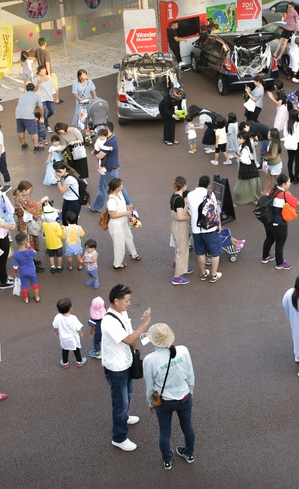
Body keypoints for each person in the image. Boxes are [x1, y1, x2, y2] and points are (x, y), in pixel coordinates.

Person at [102, 283, 151, 451]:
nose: (129, 303)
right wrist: (144, 324)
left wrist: (141, 336)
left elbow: (130, 334)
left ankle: (124, 417)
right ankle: (119, 437)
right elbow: (128, 339)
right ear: (116, 301)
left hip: (126, 361)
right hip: (116, 368)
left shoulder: (122, 313)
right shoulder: (108, 321)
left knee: (128, 392)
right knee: (120, 402)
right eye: (127, 300)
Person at [142, 323, 196, 470]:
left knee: (164, 432)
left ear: (153, 340)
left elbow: (150, 386)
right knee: (187, 427)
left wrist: (151, 403)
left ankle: (167, 460)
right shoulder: (183, 350)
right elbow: (190, 373)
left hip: (163, 400)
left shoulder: (149, 359)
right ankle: (189, 454)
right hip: (184, 396)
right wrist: (191, 389)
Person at [264, 174, 299, 271]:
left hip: (268, 221)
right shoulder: (285, 195)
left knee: (269, 239)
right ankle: (279, 263)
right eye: (288, 182)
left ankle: (265, 256)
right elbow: (297, 203)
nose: (290, 183)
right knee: (280, 244)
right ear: (284, 184)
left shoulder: (271, 191)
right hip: (279, 223)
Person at [185, 175, 221, 282]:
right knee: (215, 252)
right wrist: (219, 224)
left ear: (197, 182)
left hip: (196, 229)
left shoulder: (190, 195)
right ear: (208, 185)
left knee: (200, 252)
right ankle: (214, 275)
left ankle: (203, 273)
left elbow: (188, 209)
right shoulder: (210, 194)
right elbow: (215, 210)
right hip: (210, 228)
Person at [106, 177, 140, 271]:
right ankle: (117, 264)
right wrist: (127, 213)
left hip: (123, 222)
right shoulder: (111, 201)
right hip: (116, 225)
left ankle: (134, 253)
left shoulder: (119, 193)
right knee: (119, 245)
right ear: (117, 187)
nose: (122, 186)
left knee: (129, 237)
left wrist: (127, 207)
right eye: (121, 185)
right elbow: (113, 215)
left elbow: (120, 208)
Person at [169, 176, 191, 286]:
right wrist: (190, 217)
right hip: (180, 225)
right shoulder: (179, 200)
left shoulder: (174, 196)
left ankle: (181, 265)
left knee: (178, 247)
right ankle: (177, 276)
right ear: (184, 186)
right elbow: (180, 217)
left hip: (174, 225)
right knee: (182, 249)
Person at [53, 297, 86, 368]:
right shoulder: (73, 318)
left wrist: (56, 332)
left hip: (64, 338)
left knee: (65, 349)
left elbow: (55, 326)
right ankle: (79, 361)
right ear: (70, 308)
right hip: (73, 338)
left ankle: (65, 363)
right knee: (76, 349)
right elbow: (78, 328)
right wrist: (81, 332)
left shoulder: (58, 317)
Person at [15, 83, 45, 152]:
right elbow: (41, 108)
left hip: (18, 115)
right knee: (34, 132)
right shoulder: (37, 96)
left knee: (21, 131)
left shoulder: (22, 95)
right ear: (34, 89)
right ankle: (36, 147)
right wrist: (42, 116)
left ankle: (23, 144)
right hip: (28, 116)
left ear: (26, 89)